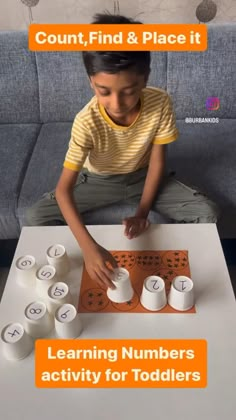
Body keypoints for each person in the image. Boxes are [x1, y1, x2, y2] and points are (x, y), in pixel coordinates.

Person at [26, 13, 219, 289]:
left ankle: (182, 271)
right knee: (36, 216)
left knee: (208, 212)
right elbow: (62, 191)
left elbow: (156, 163)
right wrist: (89, 248)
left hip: (143, 176)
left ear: (144, 79)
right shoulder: (86, 121)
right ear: (91, 82)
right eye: (104, 91)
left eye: (128, 91)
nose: (116, 104)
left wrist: (142, 214)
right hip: (99, 181)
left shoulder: (160, 102)